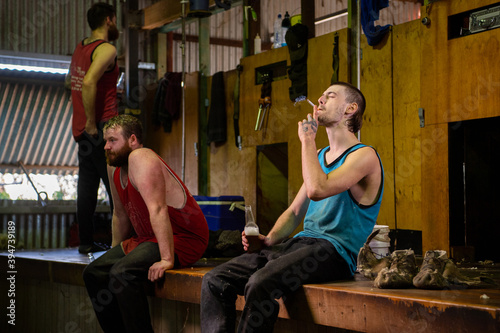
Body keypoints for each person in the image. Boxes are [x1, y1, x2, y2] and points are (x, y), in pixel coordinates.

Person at [201, 82, 384, 332]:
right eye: (321, 95)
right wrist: (269, 240)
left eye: (330, 96)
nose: (320, 100)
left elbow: (316, 190)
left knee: (260, 283)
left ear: (350, 109)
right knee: (215, 279)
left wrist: (307, 140)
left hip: (333, 252)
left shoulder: (364, 156)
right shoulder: (319, 155)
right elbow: (296, 211)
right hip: (300, 244)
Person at [83, 115, 209, 332]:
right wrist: (114, 253)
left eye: (113, 140)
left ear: (132, 140)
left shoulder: (141, 157)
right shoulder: (114, 167)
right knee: (94, 273)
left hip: (182, 238)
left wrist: (167, 259)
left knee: (121, 272)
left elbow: (158, 209)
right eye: (105, 141)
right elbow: (120, 215)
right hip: (146, 240)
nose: (106, 146)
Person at [68, 2, 120, 254]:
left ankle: (85, 242)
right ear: (109, 20)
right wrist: (92, 122)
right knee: (115, 186)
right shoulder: (107, 49)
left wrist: (84, 121)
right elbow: (87, 82)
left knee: (87, 186)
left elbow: (70, 81)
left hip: (81, 129)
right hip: (100, 127)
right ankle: (120, 245)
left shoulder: (81, 47)